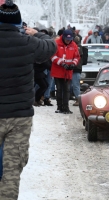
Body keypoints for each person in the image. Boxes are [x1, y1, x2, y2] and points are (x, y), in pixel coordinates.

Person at [0, 0, 57, 199]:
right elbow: (51, 47)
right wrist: (37, 33)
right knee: (12, 169)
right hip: (19, 117)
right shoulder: (28, 43)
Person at [51, 29, 80, 114]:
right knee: (59, 89)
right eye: (67, 39)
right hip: (58, 71)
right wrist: (61, 63)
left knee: (67, 90)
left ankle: (66, 107)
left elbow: (77, 57)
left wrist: (73, 64)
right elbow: (52, 56)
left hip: (68, 71)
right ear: (63, 37)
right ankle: (59, 107)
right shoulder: (56, 44)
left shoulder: (73, 45)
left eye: (70, 39)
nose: (68, 41)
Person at [72, 36, 83, 106]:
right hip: (77, 68)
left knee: (76, 85)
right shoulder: (80, 47)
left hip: (76, 68)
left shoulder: (77, 48)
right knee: (74, 85)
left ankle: (78, 100)